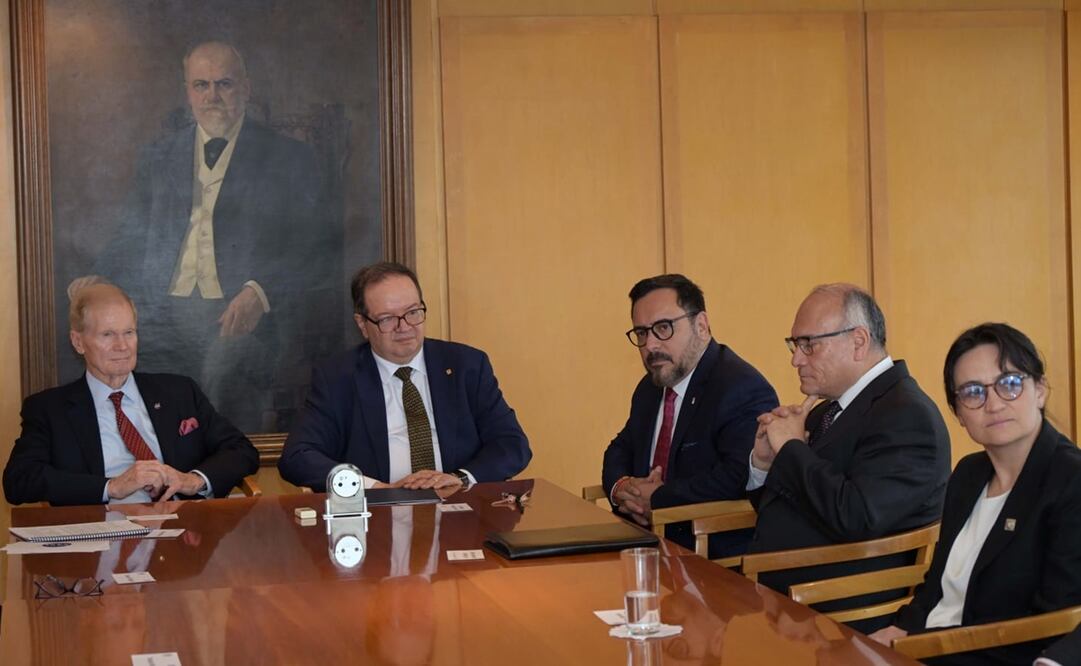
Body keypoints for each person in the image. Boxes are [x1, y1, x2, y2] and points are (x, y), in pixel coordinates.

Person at [69, 40, 337, 432]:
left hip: (237, 315)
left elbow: (316, 248)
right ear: (187, 92)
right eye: (201, 85)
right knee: (132, 381)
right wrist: (95, 279)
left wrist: (261, 292)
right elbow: (131, 234)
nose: (212, 96)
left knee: (222, 381)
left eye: (224, 84)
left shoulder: (289, 158)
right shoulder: (158, 156)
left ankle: (218, 483)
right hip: (161, 313)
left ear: (245, 88)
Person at [870, 323, 1081, 665]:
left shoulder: (1070, 480)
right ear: (958, 414)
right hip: (926, 646)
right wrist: (899, 630)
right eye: (972, 392)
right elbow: (937, 585)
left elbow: (1058, 619)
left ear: (1040, 390)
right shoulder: (968, 474)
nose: (993, 404)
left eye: (1009, 384)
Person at [748, 283, 950, 631]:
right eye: (795, 345)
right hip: (780, 592)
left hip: (834, 607)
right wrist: (764, 464)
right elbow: (780, 502)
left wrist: (792, 450)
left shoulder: (907, 416)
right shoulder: (826, 410)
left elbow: (857, 516)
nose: (796, 359)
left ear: (858, 341)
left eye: (809, 344)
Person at [277, 262, 531, 491]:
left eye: (413, 312)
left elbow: (512, 444)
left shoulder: (466, 366)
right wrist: (374, 488)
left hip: (460, 509)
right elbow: (297, 457)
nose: (404, 327)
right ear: (363, 325)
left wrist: (460, 478)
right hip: (377, 517)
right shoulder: (337, 378)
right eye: (387, 319)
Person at [3, 284, 259, 505]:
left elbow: (241, 450)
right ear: (78, 342)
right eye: (107, 335)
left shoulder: (179, 392)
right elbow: (19, 480)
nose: (122, 346)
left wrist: (191, 481)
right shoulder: (50, 409)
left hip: (182, 534)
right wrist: (111, 487)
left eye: (129, 333)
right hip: (99, 540)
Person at [601, 274, 778, 557]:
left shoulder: (740, 386)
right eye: (642, 333)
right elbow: (620, 448)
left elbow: (737, 475)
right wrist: (622, 487)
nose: (650, 346)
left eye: (663, 328)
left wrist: (658, 500)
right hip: (644, 543)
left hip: (709, 554)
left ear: (701, 326)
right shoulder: (651, 387)